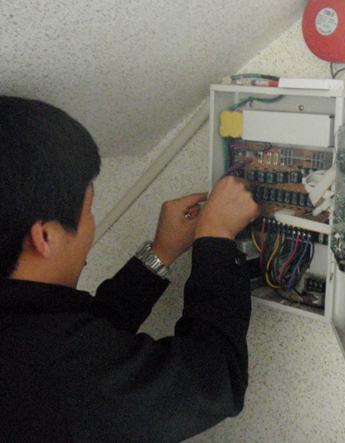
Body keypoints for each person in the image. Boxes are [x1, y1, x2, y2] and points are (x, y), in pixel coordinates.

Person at [0, 96, 260, 442]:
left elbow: (82, 339)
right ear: (44, 236)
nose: (91, 225)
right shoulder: (46, 371)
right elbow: (214, 380)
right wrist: (216, 237)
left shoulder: (25, 334)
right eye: (89, 211)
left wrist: (160, 253)